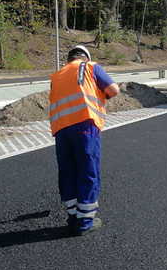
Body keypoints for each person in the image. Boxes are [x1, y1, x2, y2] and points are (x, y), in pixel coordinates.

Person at [49, 45, 119, 236]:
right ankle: (85, 222)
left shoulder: (56, 76)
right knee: (88, 172)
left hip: (61, 129)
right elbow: (114, 90)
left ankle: (73, 217)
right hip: (85, 126)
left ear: (69, 59)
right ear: (85, 57)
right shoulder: (90, 67)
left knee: (68, 172)